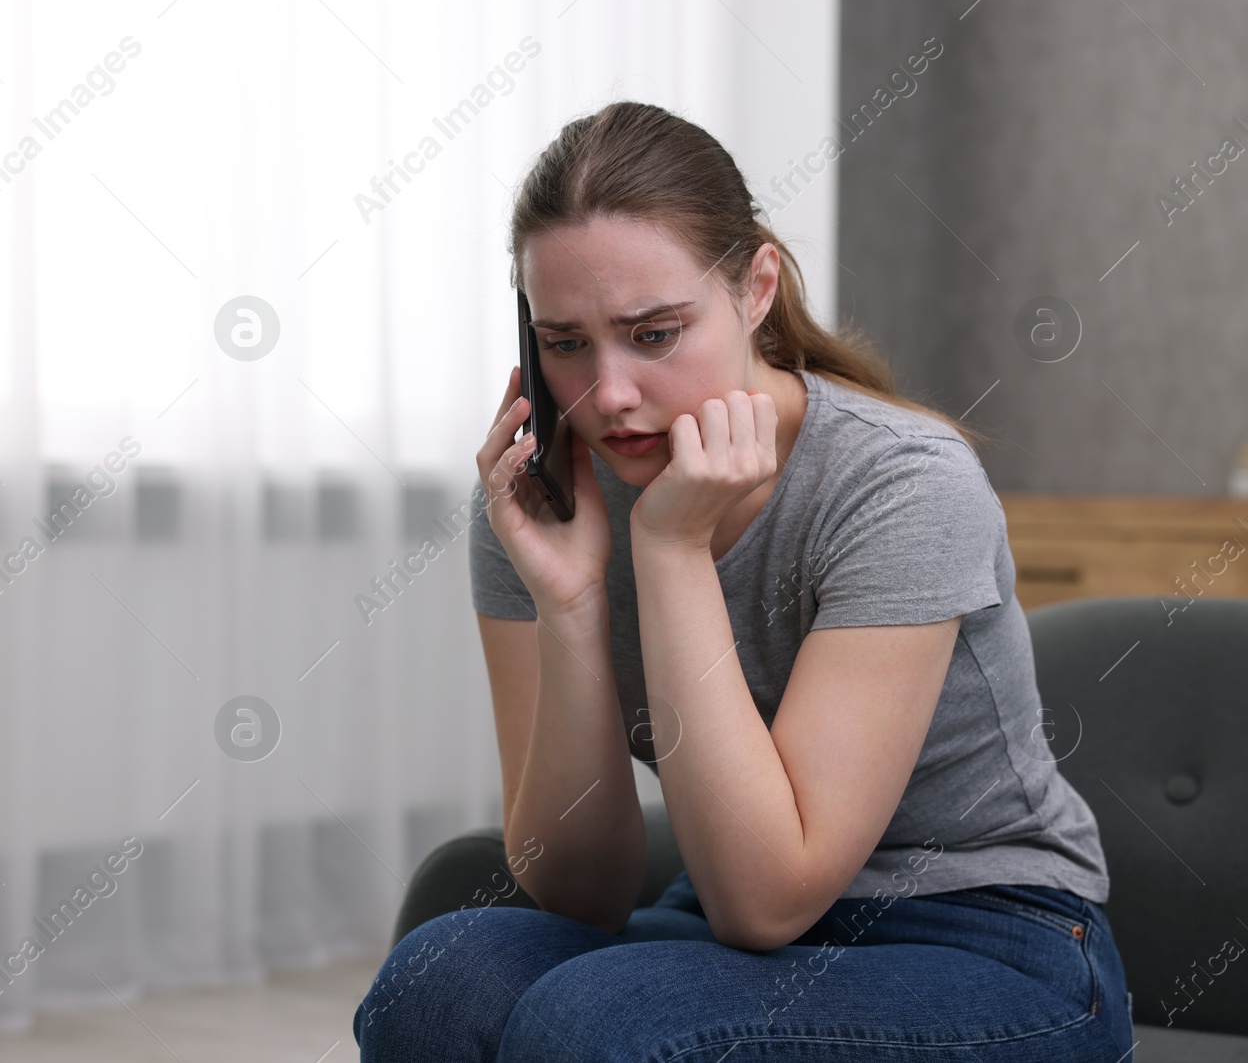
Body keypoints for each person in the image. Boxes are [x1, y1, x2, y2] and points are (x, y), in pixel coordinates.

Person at [353, 101, 1133, 1061]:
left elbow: (769, 896)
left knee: (598, 1019)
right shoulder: (544, 498)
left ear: (757, 286)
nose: (611, 395)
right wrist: (570, 603)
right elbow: (581, 890)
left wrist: (673, 550)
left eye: (653, 333)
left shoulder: (902, 484)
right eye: (565, 344)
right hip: (721, 920)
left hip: (990, 935)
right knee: (437, 983)